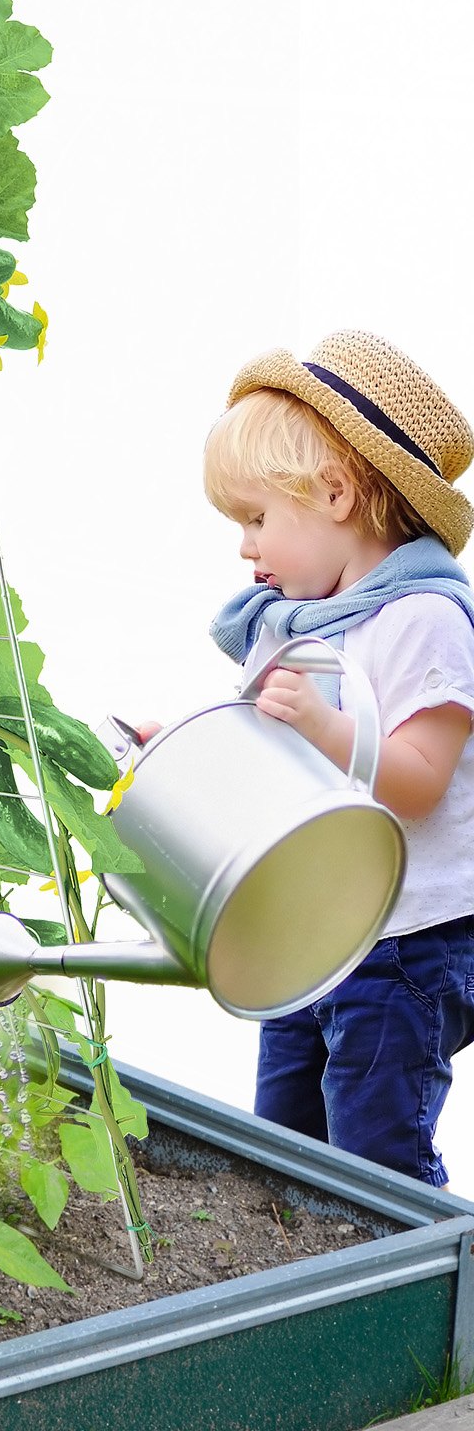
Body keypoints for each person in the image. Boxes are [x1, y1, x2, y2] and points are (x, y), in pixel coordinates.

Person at [147, 329, 474, 1187]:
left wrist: (326, 730)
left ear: (334, 492)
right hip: (317, 926)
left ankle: (417, 1297)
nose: (245, 549)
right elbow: (266, 766)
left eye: (256, 519)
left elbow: (421, 784)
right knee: (284, 1145)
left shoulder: (425, 621)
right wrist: (182, 753)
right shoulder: (302, 626)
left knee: (374, 1154)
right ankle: (305, 1283)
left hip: (407, 941)